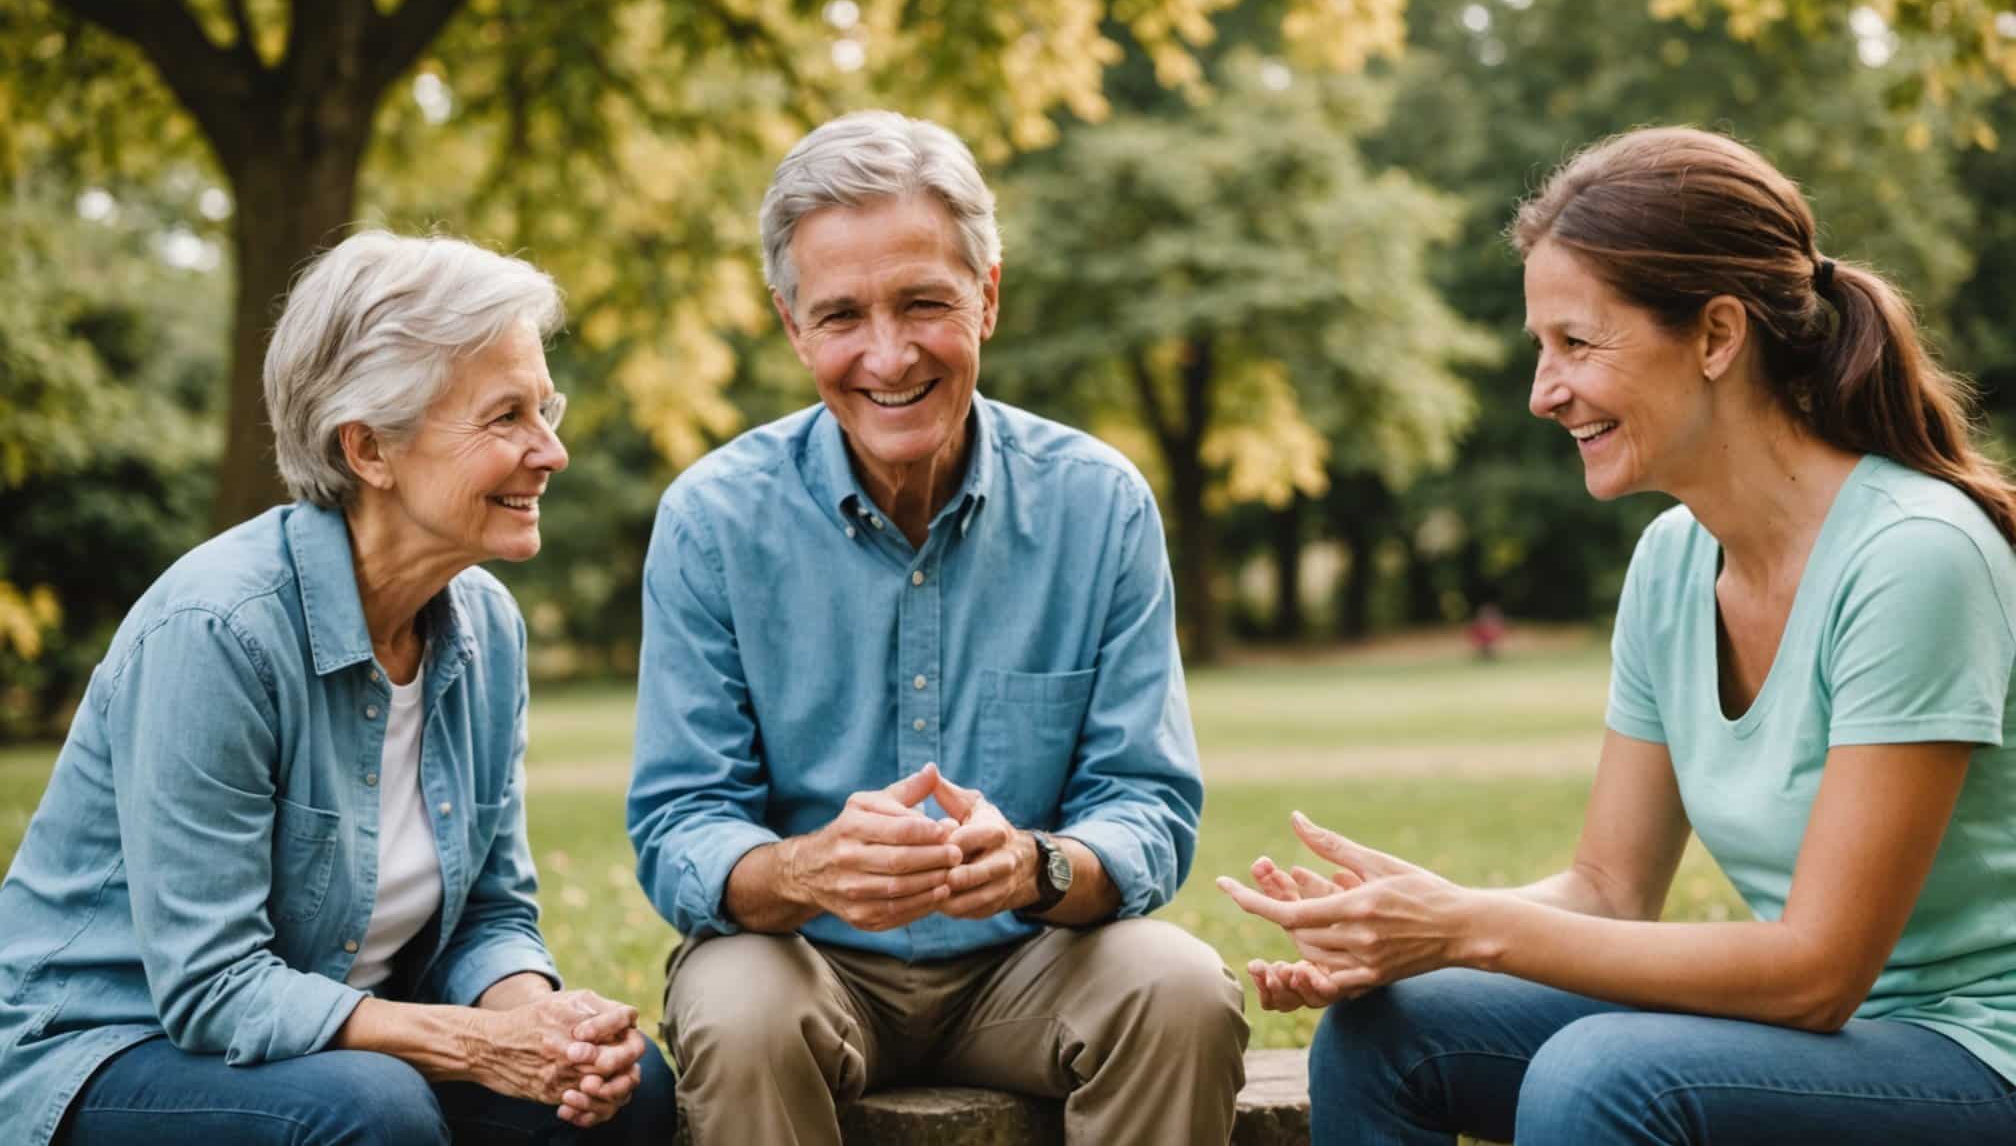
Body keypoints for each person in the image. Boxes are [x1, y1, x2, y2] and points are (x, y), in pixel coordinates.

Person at [1220, 126, 2016, 1144]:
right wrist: (1416, 923)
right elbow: (1608, 888)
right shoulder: (1673, 564)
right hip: (1825, 1043)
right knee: (1391, 1031)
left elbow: (1819, 973)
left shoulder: (1915, 557)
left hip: (1974, 1057)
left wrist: (1472, 929)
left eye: (1577, 344)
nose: (1542, 392)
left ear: (1718, 336)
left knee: (1605, 1076)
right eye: (1539, 349)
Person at [628, 110, 1247, 1145]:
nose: (887, 353)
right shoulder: (712, 519)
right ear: (792, 326)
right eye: (841, 316)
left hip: (1030, 961)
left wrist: (1039, 866)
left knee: (1179, 987)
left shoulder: (1101, 503)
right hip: (802, 958)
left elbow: (1144, 799)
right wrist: (804, 867)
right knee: (737, 1012)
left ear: (988, 297)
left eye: (925, 303)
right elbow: (682, 821)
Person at [0, 232, 676, 1146]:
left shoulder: (487, 629)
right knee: (370, 1111)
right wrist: (478, 1046)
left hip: (344, 1046)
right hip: (107, 1044)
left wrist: (541, 1025)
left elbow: (491, 912)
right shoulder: (219, 630)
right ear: (369, 449)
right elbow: (213, 986)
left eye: (546, 408)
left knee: (623, 1095)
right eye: (506, 416)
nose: (550, 450)